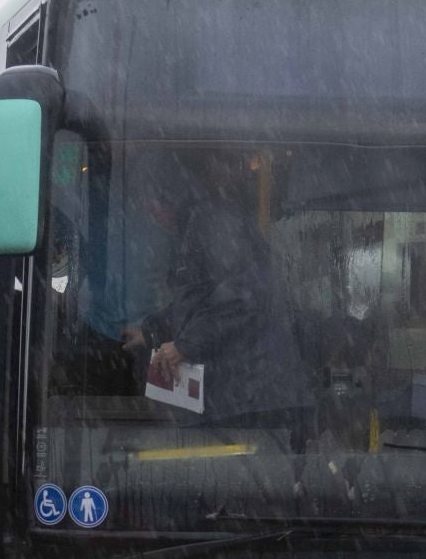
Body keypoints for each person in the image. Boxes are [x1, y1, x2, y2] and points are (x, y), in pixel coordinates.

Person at [122, 155, 310, 430]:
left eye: (153, 200)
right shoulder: (199, 222)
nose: (149, 210)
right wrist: (152, 330)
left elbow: (242, 298)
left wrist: (185, 346)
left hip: (254, 395)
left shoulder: (213, 223)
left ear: (172, 195)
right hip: (243, 393)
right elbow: (199, 300)